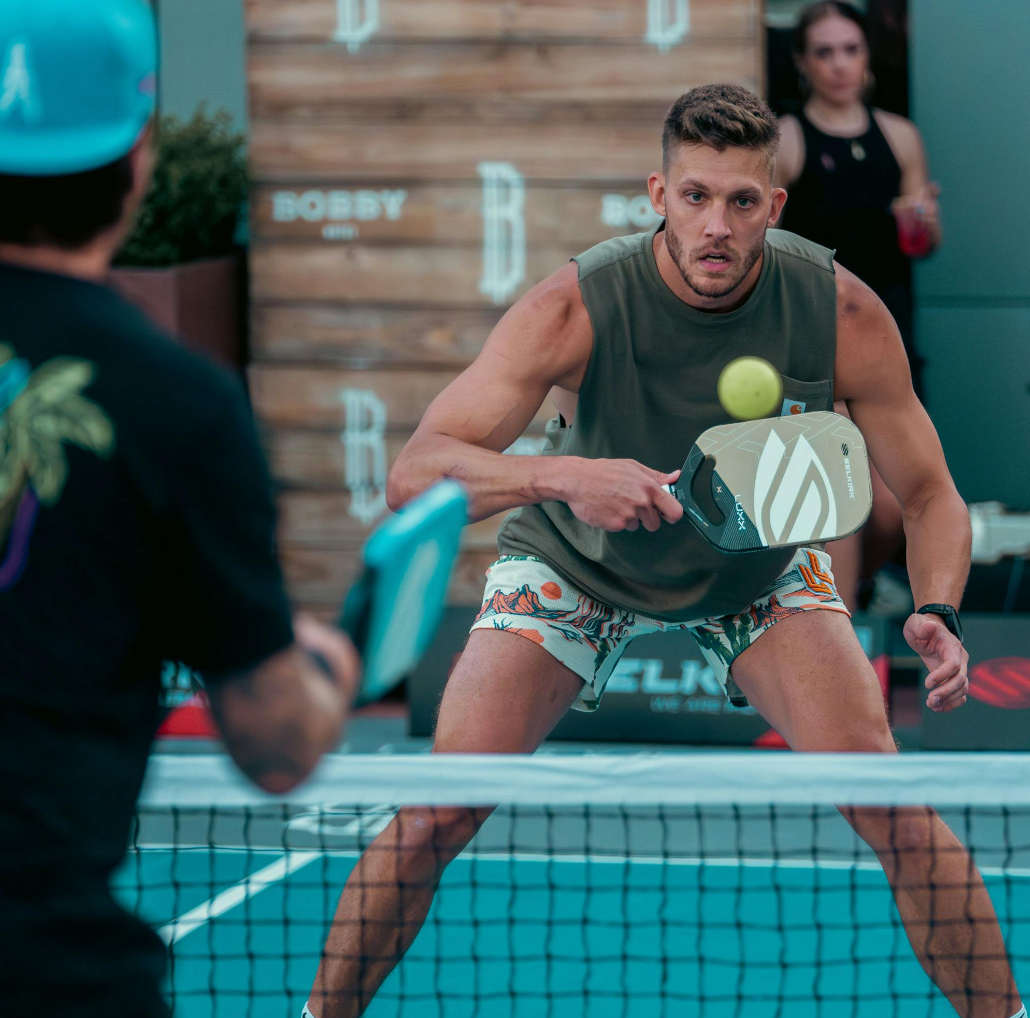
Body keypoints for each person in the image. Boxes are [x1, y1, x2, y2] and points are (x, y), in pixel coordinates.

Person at [307, 85, 1023, 1018]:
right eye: (694, 197)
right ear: (656, 193)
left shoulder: (838, 310)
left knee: (891, 806)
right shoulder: (576, 304)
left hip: (756, 569)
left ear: (776, 206)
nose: (715, 225)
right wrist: (565, 477)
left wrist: (935, 608)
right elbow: (417, 473)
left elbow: (932, 496)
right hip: (575, 560)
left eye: (740, 201)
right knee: (439, 810)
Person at [0, 2, 358, 1015]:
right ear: (139, 153)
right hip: (44, 970)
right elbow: (275, 742)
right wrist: (332, 663)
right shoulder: (177, 405)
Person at [775, 0, 941, 610]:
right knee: (838, 504)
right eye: (824, 51)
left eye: (851, 49)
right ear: (802, 63)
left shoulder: (900, 135)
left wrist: (920, 222)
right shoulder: (789, 141)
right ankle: (830, 628)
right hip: (815, 345)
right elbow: (760, 242)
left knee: (893, 509)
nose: (839, 64)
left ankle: (847, 598)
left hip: (888, 342)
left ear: (868, 58)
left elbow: (922, 245)